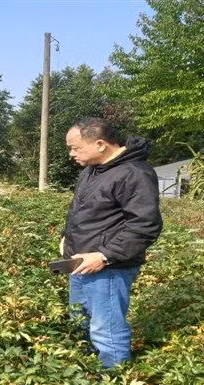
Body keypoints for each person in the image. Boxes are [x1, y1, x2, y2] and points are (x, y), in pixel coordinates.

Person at [60, 117, 162, 368]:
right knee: (79, 321)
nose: (71, 154)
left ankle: (113, 380)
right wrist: (66, 237)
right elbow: (81, 211)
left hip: (108, 268)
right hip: (79, 263)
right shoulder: (91, 170)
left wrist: (104, 256)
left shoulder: (134, 173)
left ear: (100, 144)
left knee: (105, 330)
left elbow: (145, 225)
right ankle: (86, 373)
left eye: (75, 148)